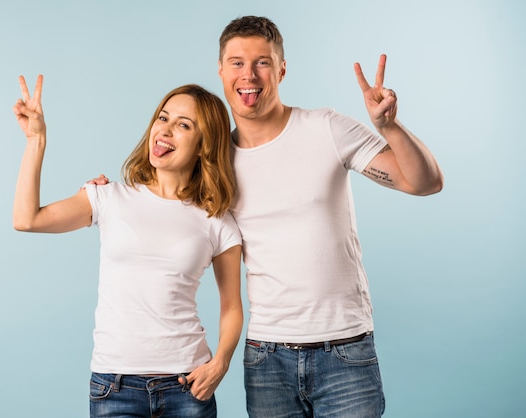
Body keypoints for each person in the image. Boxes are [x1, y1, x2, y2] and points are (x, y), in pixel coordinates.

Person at [89, 15, 444, 418]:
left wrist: (389, 126)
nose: (249, 75)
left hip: (345, 348)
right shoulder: (217, 163)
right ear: (221, 71)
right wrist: (103, 193)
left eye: (262, 62)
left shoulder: (325, 128)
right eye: (237, 62)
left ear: (281, 69)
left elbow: (424, 182)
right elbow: (164, 203)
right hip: (266, 358)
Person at [12, 76, 243, 418]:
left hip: (187, 387)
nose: (164, 130)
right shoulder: (108, 197)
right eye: (162, 118)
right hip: (114, 386)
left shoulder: (216, 220)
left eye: (183, 125)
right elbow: (26, 219)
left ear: (203, 145)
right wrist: (36, 140)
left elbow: (231, 307)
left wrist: (220, 362)